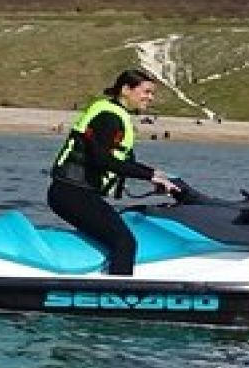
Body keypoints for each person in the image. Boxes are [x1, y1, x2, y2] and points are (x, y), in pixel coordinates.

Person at [47, 68, 179, 276]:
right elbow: (102, 160)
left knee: (118, 235)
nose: (150, 98)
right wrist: (150, 175)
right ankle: (120, 296)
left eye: (152, 93)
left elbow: (121, 162)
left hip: (76, 193)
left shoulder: (114, 114)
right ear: (126, 89)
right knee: (124, 242)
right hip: (71, 193)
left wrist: (156, 175)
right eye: (146, 92)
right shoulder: (109, 117)